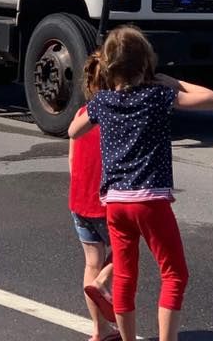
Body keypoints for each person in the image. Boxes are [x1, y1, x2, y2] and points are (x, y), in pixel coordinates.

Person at [68, 26, 213, 341]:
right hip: (150, 200)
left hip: (115, 203)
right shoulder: (158, 96)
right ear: (145, 63)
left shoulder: (102, 102)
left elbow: (73, 130)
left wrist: (101, 104)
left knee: (125, 277)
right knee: (174, 273)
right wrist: (172, 81)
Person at [70, 85, 120, 341]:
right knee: (125, 254)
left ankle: (100, 330)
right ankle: (102, 283)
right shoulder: (116, 119)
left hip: (80, 202)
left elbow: (72, 162)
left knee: (92, 262)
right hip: (106, 203)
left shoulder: (80, 114)